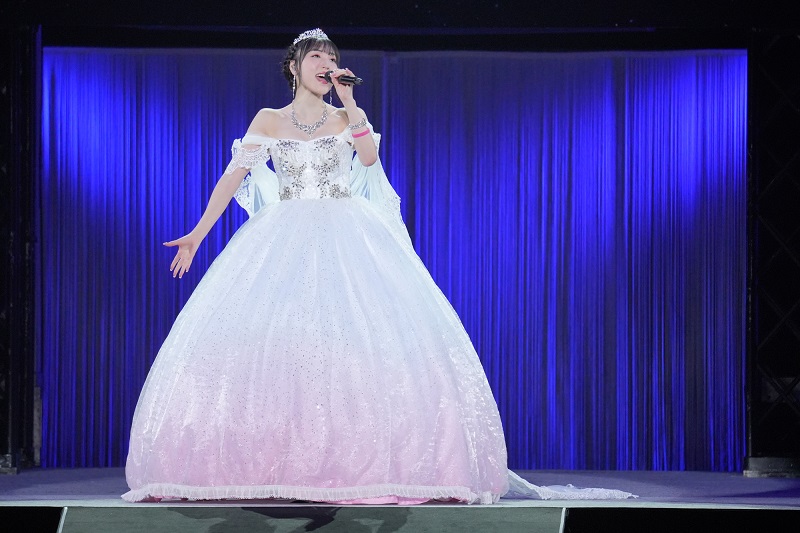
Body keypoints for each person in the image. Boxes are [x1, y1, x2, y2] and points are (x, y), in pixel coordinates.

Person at [123, 29, 633, 504]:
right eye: (316, 57)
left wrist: (350, 104)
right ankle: (273, 462)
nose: (326, 64)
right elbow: (234, 177)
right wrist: (198, 234)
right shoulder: (268, 119)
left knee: (359, 339)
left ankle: (366, 465)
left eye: (332, 58)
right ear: (294, 66)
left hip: (347, 233)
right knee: (280, 347)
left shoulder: (346, 117)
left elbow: (367, 159)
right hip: (283, 235)